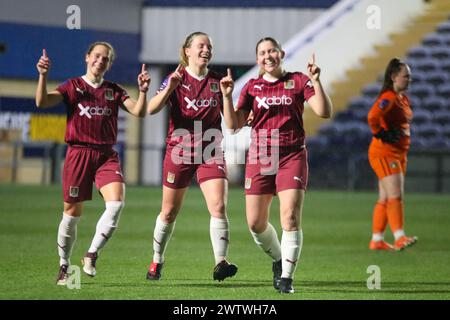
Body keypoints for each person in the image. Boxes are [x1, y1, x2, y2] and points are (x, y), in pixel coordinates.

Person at [222, 37, 332, 293]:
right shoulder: (252, 86)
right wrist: (227, 97)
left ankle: (287, 278)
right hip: (261, 156)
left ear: (281, 53)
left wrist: (316, 80)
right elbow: (233, 125)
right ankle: (279, 259)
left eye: (272, 51)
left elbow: (324, 111)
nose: (267, 56)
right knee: (255, 223)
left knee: (290, 217)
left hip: (292, 155)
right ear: (257, 58)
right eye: (262, 53)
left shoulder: (299, 81)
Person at [35, 42, 150, 285]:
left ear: (109, 64)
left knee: (116, 203)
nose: (100, 60)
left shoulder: (114, 90)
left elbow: (139, 112)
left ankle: (91, 254)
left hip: (106, 155)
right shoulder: (73, 86)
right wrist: (43, 76)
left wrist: (143, 91)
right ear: (87, 57)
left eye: (105, 58)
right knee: (71, 214)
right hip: (79, 154)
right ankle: (64, 265)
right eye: (96, 56)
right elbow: (42, 102)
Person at [145, 32, 238, 282]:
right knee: (168, 212)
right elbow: (150, 109)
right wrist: (170, 89)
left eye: (209, 46)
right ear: (187, 51)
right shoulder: (176, 78)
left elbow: (230, 123)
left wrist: (228, 96)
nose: (206, 49)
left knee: (218, 206)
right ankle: (157, 259)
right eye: (200, 45)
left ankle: (221, 262)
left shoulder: (219, 81)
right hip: (180, 149)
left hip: (210, 150)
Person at [367, 58, 418, 251]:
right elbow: (372, 116)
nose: (409, 79)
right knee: (396, 195)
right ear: (394, 77)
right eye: (406, 76)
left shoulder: (402, 98)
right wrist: (381, 133)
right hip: (385, 153)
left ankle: (377, 240)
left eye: (410, 76)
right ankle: (399, 237)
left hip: (398, 152)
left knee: (385, 197)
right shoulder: (388, 97)